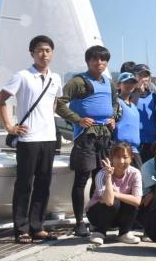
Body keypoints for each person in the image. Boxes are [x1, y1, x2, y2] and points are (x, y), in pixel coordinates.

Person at [0, 35, 62, 244]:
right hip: (28, 139)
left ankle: (37, 226)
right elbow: (0, 100)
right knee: (24, 185)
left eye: (48, 50)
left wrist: (46, 121)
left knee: (44, 184)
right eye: (40, 50)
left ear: (52, 54)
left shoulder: (56, 78)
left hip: (49, 138)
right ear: (32, 53)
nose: (44, 54)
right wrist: (10, 127)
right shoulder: (22, 76)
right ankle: (22, 228)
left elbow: (54, 102)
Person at [56, 44, 118, 237]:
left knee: (100, 178)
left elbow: (115, 103)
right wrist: (78, 119)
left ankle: (95, 219)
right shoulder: (78, 82)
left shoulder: (109, 82)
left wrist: (113, 117)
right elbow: (59, 104)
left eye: (103, 59)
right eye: (94, 59)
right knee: (82, 179)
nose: (99, 63)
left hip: (104, 136)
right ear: (88, 61)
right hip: (86, 137)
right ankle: (79, 222)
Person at [85, 142, 142, 246]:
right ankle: (99, 232)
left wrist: (116, 194)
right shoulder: (101, 174)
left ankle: (124, 233)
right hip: (97, 213)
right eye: (117, 157)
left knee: (131, 203)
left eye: (125, 157)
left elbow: (137, 201)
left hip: (117, 215)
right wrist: (108, 177)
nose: (121, 161)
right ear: (111, 158)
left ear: (131, 158)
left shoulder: (135, 173)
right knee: (114, 202)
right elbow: (109, 201)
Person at [133, 64, 156, 163]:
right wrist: (137, 91)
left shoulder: (153, 96)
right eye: (140, 76)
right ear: (134, 77)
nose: (143, 79)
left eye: (146, 76)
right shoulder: (129, 94)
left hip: (151, 140)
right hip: (136, 141)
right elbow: (131, 108)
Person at [114, 72, 142, 166]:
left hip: (134, 150)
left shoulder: (133, 106)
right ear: (118, 85)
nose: (129, 85)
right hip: (120, 149)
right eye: (126, 82)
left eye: (132, 82)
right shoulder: (116, 103)